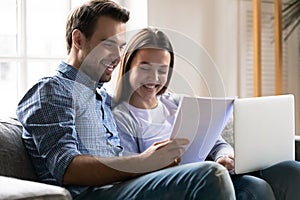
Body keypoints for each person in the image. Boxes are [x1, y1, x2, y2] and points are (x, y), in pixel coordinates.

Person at [16, 1, 236, 199]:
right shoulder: (51, 90)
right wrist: (144, 162)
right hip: (90, 195)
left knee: (249, 185)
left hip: (121, 187)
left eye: (120, 46)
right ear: (78, 39)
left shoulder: (101, 97)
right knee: (209, 174)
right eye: (108, 44)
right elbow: (66, 168)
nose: (118, 56)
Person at [112, 27, 300, 200]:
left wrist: (224, 156)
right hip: (179, 185)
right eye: (145, 67)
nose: (154, 78)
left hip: (212, 177)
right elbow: (131, 173)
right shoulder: (122, 116)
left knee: (291, 170)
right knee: (256, 189)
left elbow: (218, 144)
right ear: (128, 66)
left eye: (162, 70)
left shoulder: (176, 103)